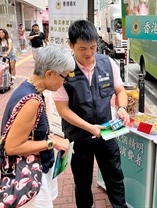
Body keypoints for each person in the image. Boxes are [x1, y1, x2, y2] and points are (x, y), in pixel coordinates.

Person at [52, 19, 130, 208]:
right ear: (71, 45)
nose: (88, 53)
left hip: (106, 133)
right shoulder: (63, 71)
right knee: (82, 183)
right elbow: (63, 109)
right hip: (79, 137)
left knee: (115, 178)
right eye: (82, 49)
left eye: (93, 47)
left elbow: (120, 90)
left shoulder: (107, 63)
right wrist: (89, 128)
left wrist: (122, 107)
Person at [0, 45, 75, 207]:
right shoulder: (31, 100)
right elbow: (12, 147)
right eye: (64, 77)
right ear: (49, 74)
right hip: (27, 175)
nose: (64, 82)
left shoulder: (31, 89)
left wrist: (51, 138)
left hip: (36, 168)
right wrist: (52, 143)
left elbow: (32, 132)